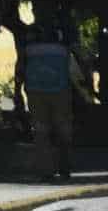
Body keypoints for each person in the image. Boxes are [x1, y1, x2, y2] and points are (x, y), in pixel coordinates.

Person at [19, 17, 81, 178]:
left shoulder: (30, 39)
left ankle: (49, 169)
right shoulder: (63, 38)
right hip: (57, 90)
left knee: (43, 131)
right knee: (60, 130)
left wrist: (18, 87)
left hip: (38, 90)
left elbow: (21, 64)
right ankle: (61, 167)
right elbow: (77, 60)